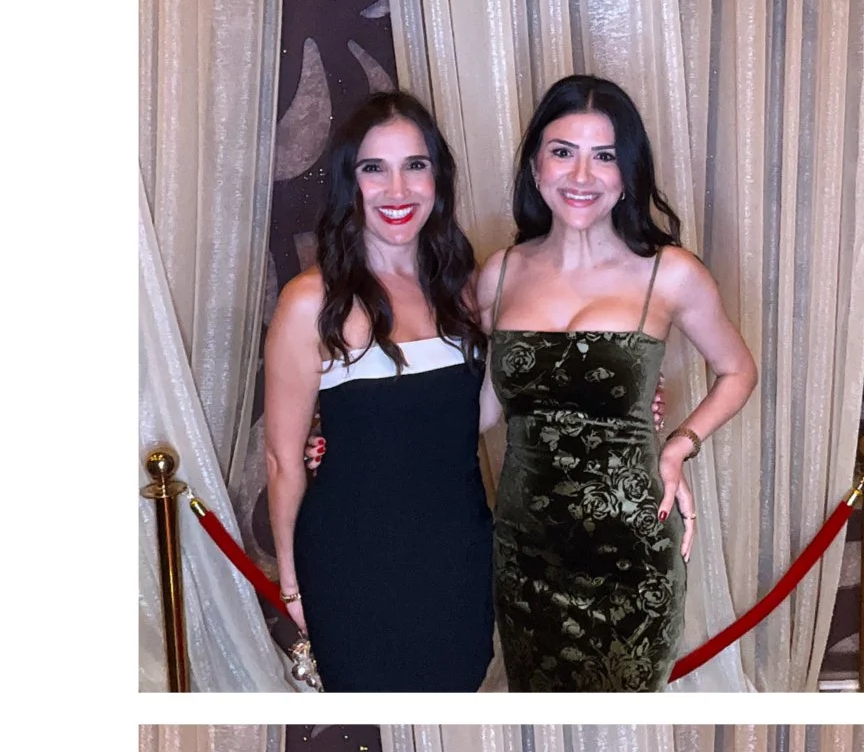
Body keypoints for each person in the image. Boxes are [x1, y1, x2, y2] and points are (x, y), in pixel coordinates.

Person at [478, 74, 757, 691]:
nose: (581, 176)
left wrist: (681, 444)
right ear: (534, 166)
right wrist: (366, 439)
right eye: (562, 151)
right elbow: (484, 409)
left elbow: (738, 371)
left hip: (632, 550)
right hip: (525, 554)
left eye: (603, 156)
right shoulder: (498, 275)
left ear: (627, 173)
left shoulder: (670, 273)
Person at [263, 91, 494, 691]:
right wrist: (292, 585)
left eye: (415, 165)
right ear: (351, 183)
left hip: (460, 555)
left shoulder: (465, 292)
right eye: (375, 168)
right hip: (352, 563)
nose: (398, 190)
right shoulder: (310, 301)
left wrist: (613, 406)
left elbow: (477, 417)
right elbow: (284, 460)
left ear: (437, 178)